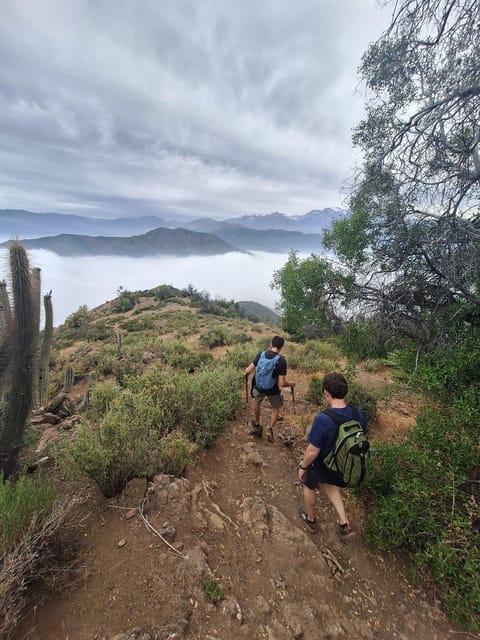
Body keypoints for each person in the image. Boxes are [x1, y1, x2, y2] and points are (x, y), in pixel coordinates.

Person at [297, 372, 366, 536]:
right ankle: (344, 523)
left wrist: (303, 467)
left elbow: (313, 451)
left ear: (326, 393)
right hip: (345, 469)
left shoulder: (323, 418)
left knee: (308, 484)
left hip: (325, 467)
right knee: (330, 484)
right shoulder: (358, 413)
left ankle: (311, 520)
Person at [244, 335, 295, 442]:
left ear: (270, 344)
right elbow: (282, 383)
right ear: (281, 347)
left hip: (259, 387)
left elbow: (248, 371)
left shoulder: (260, 354)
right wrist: (291, 384)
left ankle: (257, 424)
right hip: (272, 389)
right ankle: (270, 429)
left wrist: (246, 371)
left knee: (257, 402)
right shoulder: (281, 361)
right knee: (275, 408)